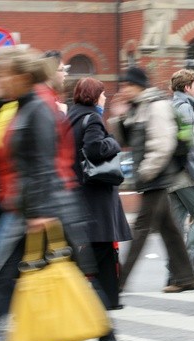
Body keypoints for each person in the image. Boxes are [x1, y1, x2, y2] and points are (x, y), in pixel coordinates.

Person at [0, 47, 123, 341]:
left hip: (50, 208)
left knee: (73, 277)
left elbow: (44, 165)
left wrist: (40, 212)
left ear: (22, 77)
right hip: (34, 207)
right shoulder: (21, 106)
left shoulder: (37, 109)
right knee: (4, 276)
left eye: (4, 75)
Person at [109, 67, 194, 293]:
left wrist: (147, 171)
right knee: (169, 230)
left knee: (140, 230)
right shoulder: (138, 107)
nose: (124, 89)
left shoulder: (156, 106)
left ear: (138, 85)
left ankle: (120, 281)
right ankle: (186, 277)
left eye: (128, 85)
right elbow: (126, 140)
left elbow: (162, 143)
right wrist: (119, 117)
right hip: (151, 176)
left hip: (156, 176)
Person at [67, 77, 132, 310]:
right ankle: (107, 299)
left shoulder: (71, 115)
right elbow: (95, 149)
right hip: (97, 190)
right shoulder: (92, 117)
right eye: (102, 94)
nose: (104, 98)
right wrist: (113, 142)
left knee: (96, 246)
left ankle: (107, 298)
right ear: (94, 96)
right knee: (102, 245)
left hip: (80, 188)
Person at [168, 69, 194, 271]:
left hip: (173, 177)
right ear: (187, 87)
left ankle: (174, 269)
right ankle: (183, 268)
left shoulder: (170, 106)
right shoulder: (184, 109)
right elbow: (187, 144)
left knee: (176, 225)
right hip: (189, 176)